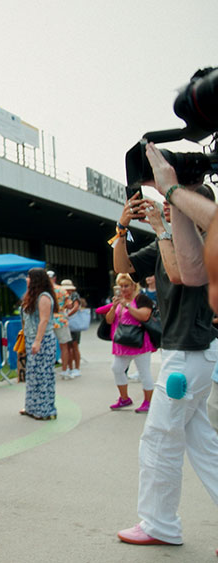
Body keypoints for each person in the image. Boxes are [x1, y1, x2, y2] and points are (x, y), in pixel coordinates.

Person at [113, 142, 218, 549]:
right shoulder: (170, 234)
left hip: (187, 354)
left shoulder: (197, 222)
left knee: (159, 439)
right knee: (203, 444)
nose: (164, 203)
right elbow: (123, 268)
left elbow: (181, 273)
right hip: (189, 353)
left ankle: (159, 524)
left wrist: (162, 226)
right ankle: (160, 523)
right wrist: (122, 228)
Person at [94, 273, 155, 413]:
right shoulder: (118, 301)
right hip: (122, 342)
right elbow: (109, 320)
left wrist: (127, 306)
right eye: (120, 286)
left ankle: (148, 401)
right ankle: (124, 398)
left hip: (139, 342)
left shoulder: (142, 299)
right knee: (117, 368)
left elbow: (145, 316)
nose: (123, 289)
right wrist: (113, 307)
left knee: (144, 372)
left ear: (134, 286)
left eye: (126, 286)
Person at [19, 267, 58, 420]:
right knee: (33, 374)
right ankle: (31, 407)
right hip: (31, 339)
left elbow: (44, 320)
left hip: (42, 340)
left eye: (29, 277)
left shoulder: (44, 297)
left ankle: (45, 409)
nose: (26, 280)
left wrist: (37, 341)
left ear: (35, 280)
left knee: (43, 375)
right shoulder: (31, 296)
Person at [47, 270, 73, 378]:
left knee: (48, 346)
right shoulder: (62, 290)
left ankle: (48, 370)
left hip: (47, 320)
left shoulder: (43, 291)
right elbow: (69, 306)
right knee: (64, 346)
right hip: (61, 320)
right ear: (55, 278)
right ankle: (65, 370)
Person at [60, 279, 82, 379]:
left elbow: (76, 307)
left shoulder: (74, 295)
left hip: (73, 322)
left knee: (74, 345)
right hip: (65, 323)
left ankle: (76, 368)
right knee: (67, 347)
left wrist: (67, 315)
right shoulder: (61, 296)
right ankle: (69, 367)